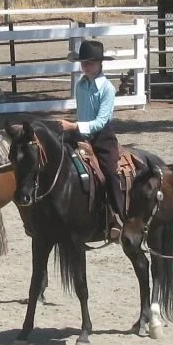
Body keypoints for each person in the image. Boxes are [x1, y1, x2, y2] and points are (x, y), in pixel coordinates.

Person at [59, 39, 123, 226]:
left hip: (102, 137)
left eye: (90, 62)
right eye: (83, 62)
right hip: (79, 133)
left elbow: (101, 122)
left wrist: (74, 126)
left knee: (110, 172)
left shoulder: (107, 89)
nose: (85, 65)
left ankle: (119, 215)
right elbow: (82, 112)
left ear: (99, 63)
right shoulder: (81, 86)